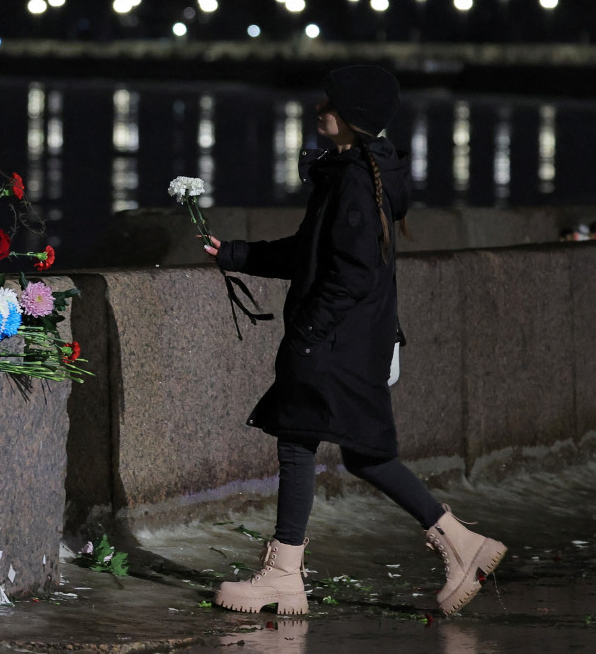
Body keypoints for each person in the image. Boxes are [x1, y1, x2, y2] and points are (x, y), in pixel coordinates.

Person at [204, 65, 506, 618]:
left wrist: (312, 332)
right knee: (367, 454)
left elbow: (354, 272)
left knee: (297, 437)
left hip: (337, 340)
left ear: (353, 119)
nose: (321, 107)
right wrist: (239, 255)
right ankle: (462, 544)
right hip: (357, 338)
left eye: (332, 103)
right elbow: (310, 253)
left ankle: (284, 576)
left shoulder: (353, 181)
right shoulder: (357, 172)